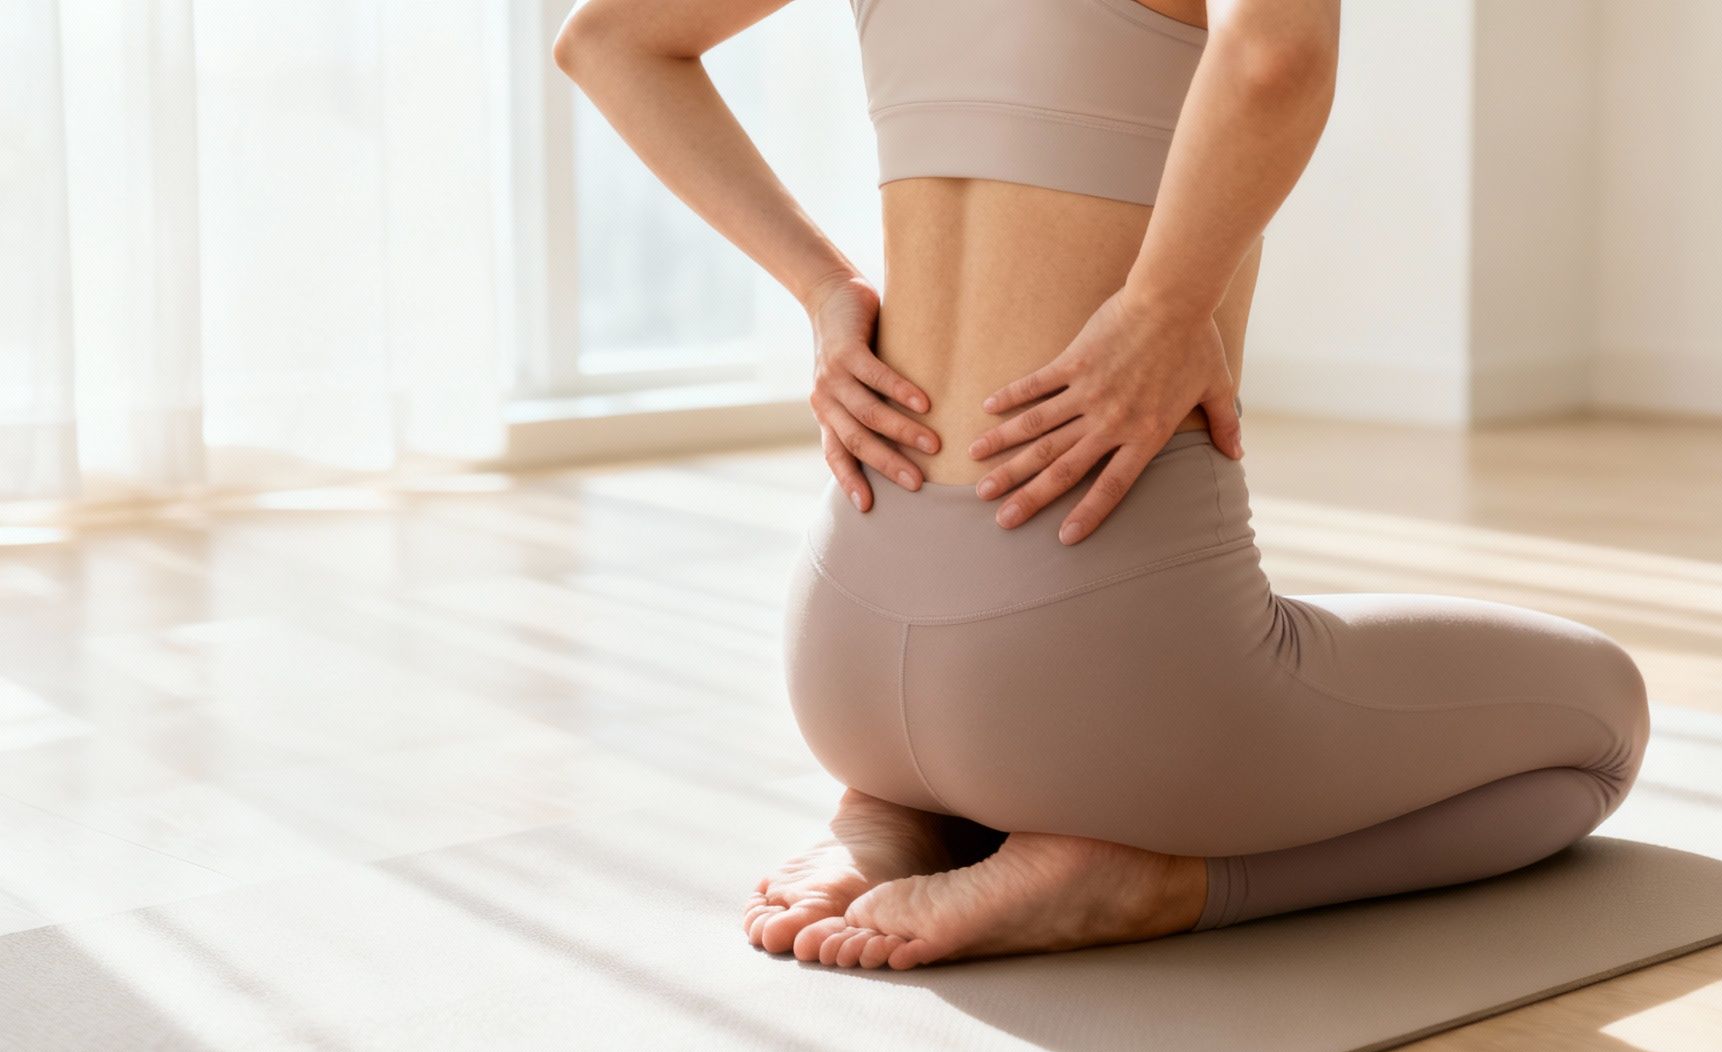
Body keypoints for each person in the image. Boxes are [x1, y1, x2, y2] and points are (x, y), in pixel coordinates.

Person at [556, 0, 1651, 971]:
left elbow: (606, 41)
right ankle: (1152, 885)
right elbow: (1273, 53)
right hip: (1093, 684)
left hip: (839, 646)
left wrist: (822, 289)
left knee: (1040, 722)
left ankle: (895, 811)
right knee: (1598, 725)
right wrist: (1163, 305)